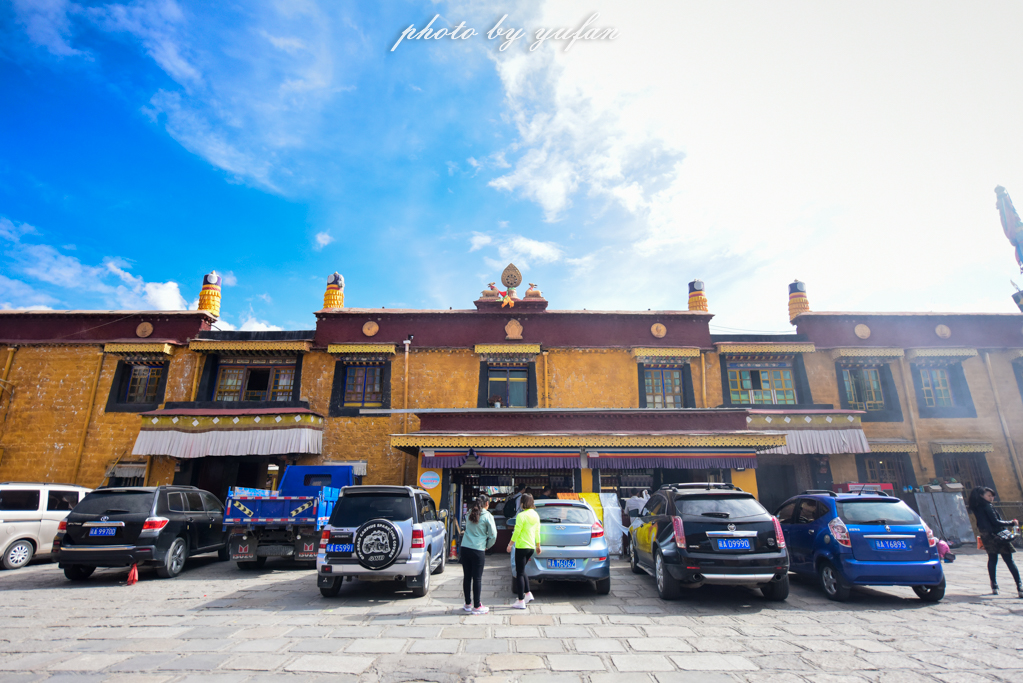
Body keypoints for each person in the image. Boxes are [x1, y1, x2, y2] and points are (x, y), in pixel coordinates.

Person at [967, 487, 1022, 597]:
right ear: (982, 496)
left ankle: (994, 586)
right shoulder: (987, 506)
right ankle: (1019, 586)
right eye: (989, 496)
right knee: (1009, 560)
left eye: (992, 496)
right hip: (997, 536)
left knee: (992, 559)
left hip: (986, 536)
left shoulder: (976, 507)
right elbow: (995, 522)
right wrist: (1011, 522)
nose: (991, 498)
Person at [460, 494, 497, 614]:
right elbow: (493, 535)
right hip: (478, 549)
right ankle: (477, 606)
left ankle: (467, 604)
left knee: (467, 577)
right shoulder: (487, 516)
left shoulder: (469, 513)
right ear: (487, 504)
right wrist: (487, 546)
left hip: (465, 548)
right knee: (477, 578)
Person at [508, 493, 541, 609]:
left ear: (522, 503)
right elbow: (537, 531)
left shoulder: (521, 516)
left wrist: (510, 544)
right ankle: (528, 593)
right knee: (522, 570)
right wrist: (538, 545)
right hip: (531, 547)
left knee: (519, 573)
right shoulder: (536, 515)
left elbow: (517, 532)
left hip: (521, 546)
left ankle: (521, 600)